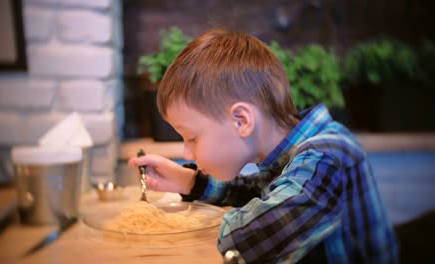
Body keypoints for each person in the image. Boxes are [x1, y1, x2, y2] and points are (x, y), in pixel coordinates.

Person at [129, 29, 399, 263]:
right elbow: (262, 192)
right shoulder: (289, 153)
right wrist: (190, 183)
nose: (186, 152)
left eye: (192, 138)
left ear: (241, 120)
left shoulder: (325, 158)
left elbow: (247, 238)